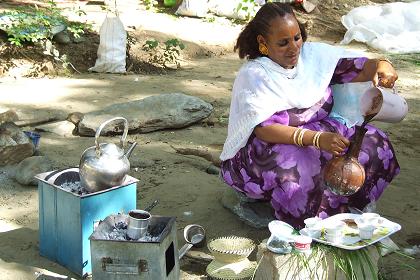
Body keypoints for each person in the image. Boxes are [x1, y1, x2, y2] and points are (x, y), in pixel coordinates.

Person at [219, 3, 400, 229]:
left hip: (324, 131)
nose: (294, 47)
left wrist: (381, 65)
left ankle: (349, 209)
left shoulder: (313, 58)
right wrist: (316, 140)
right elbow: (264, 129)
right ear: (263, 44)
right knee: (301, 166)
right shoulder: (255, 75)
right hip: (274, 145)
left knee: (374, 143)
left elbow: (359, 69)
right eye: (283, 42)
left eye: (297, 38)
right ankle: (313, 226)